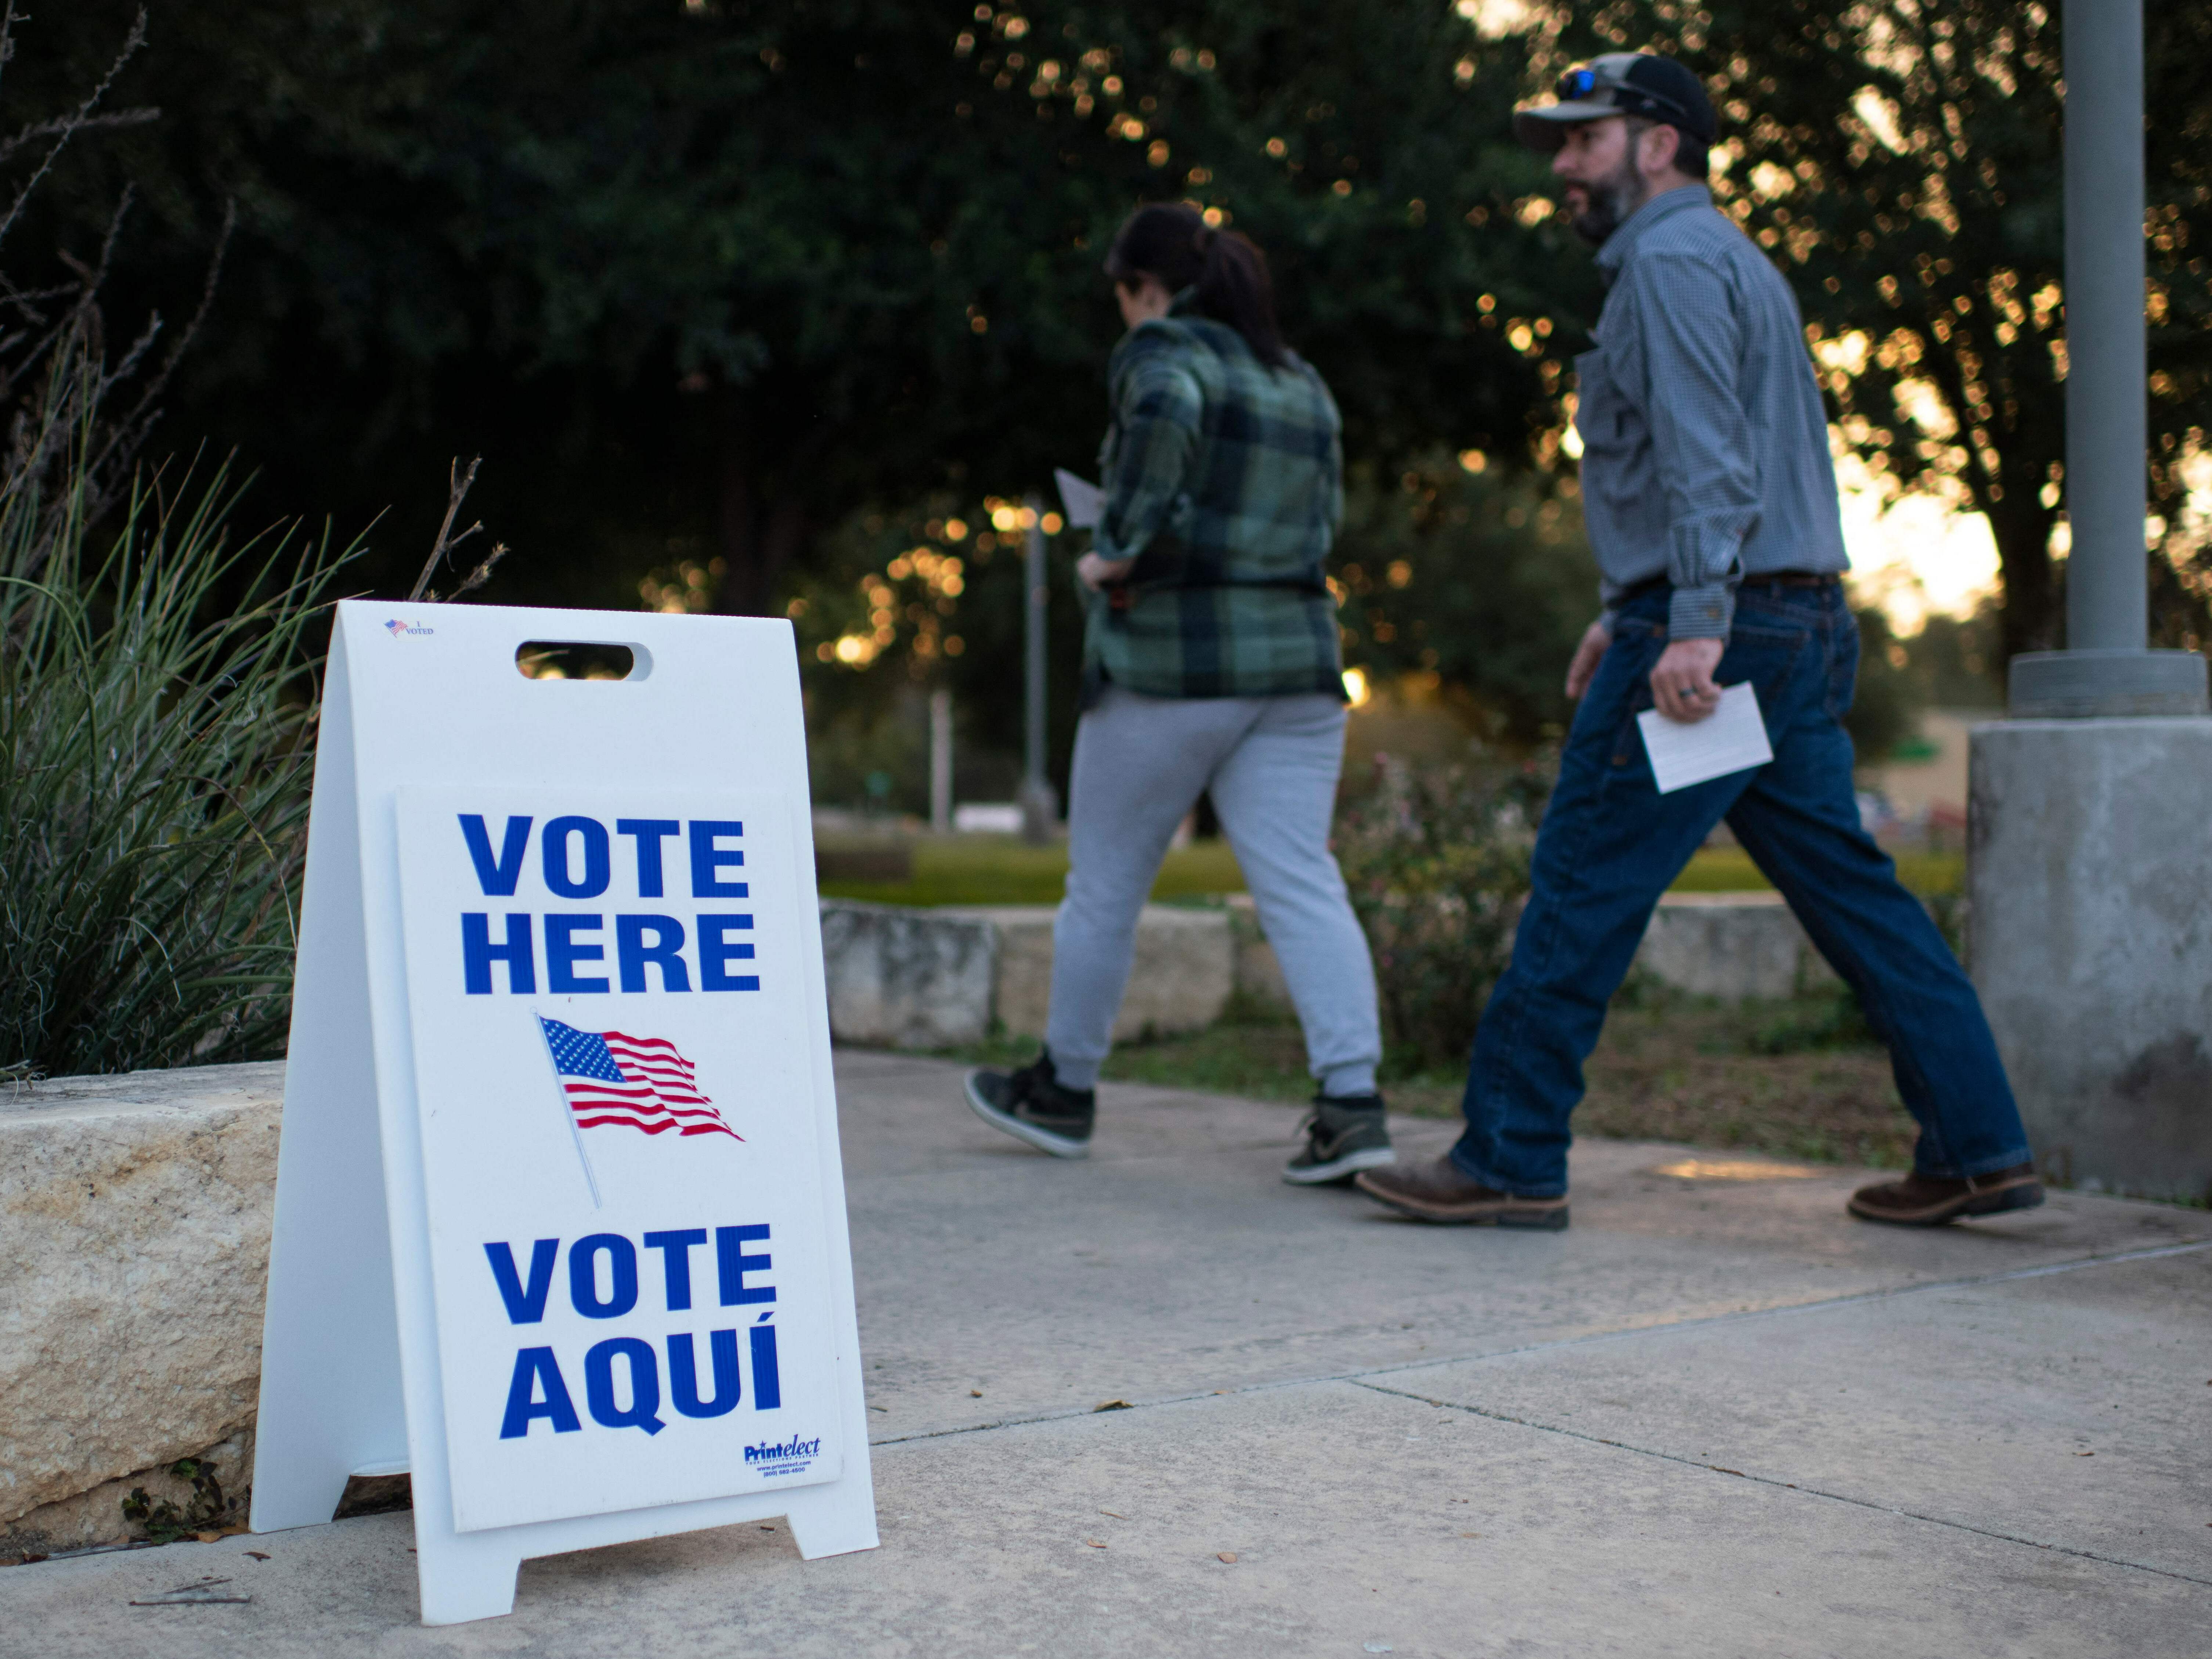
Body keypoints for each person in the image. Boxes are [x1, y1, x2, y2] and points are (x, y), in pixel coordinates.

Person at [1355, 54, 2041, 1231]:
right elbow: (1730, 465)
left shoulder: (1669, 263)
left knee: (1582, 880)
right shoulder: (1731, 261)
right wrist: (1628, 607)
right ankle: (1980, 1148)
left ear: (1658, 143)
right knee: (1856, 897)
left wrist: (1688, 626)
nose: (1563, 167)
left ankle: (1512, 1155)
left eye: (1583, 140)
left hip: (1724, 637)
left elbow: (1714, 461)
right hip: (1788, 622)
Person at [964, 203, 1394, 1187]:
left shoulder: (1162, 351)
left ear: (1140, 288)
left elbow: (1162, 421)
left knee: (1106, 887)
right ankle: (1353, 1107)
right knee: (1300, 881)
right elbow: (1318, 519)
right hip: (1296, 668)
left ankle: (1063, 1091)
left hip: (1173, 665)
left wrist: (1112, 553)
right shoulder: (1302, 378)